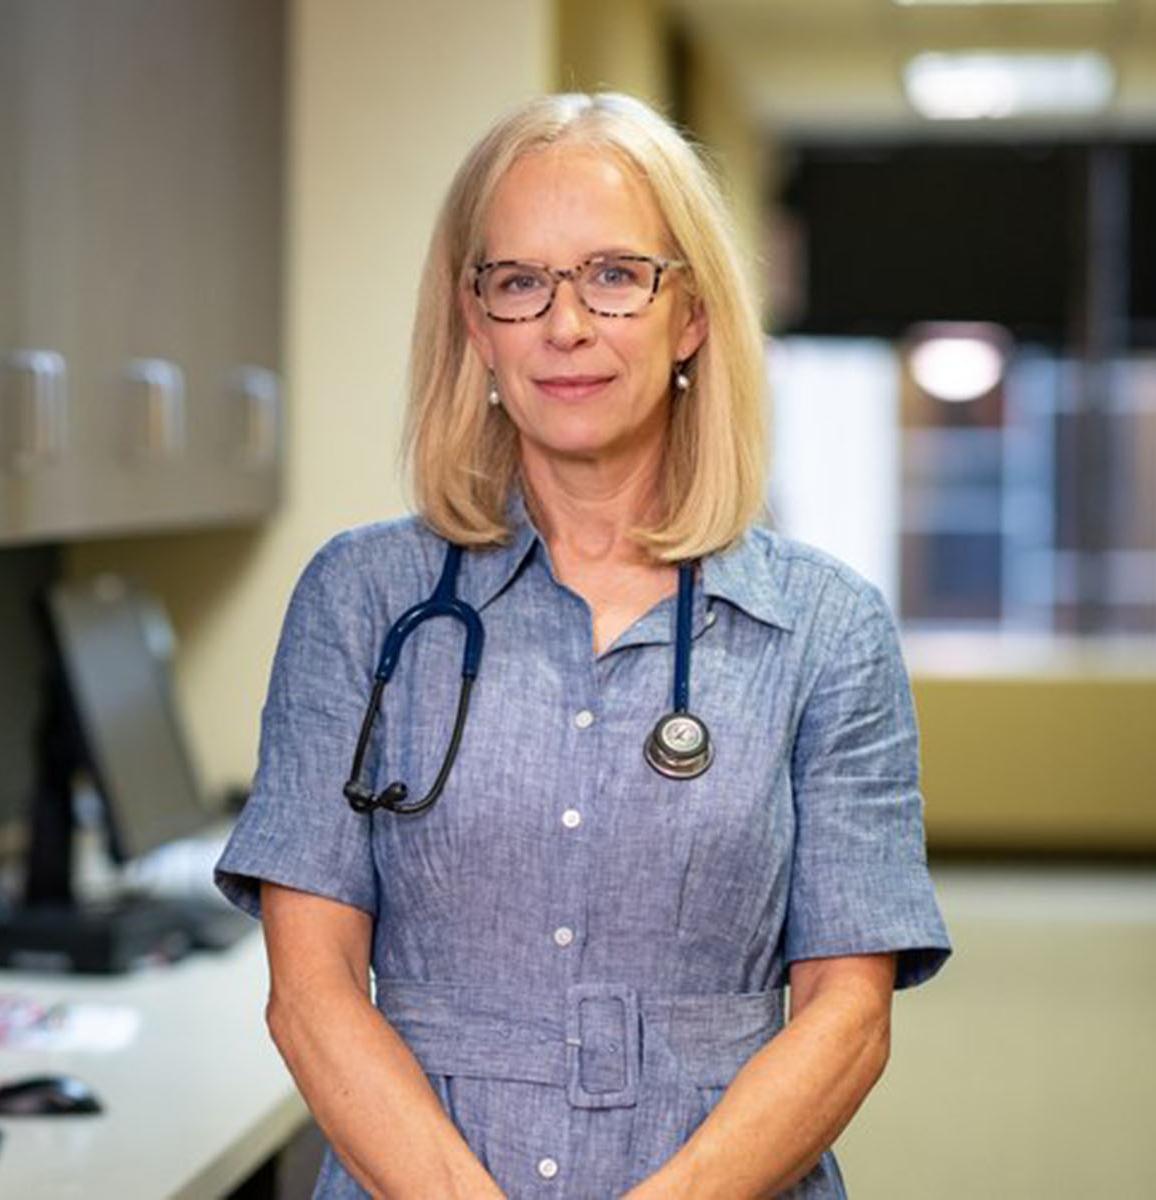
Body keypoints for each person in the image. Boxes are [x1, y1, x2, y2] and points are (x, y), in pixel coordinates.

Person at [214, 91, 951, 1198]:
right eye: (519, 282)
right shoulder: (361, 601)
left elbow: (846, 1017)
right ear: (476, 322)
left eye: (615, 276)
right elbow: (309, 989)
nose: (566, 327)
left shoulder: (825, 630)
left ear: (690, 314)